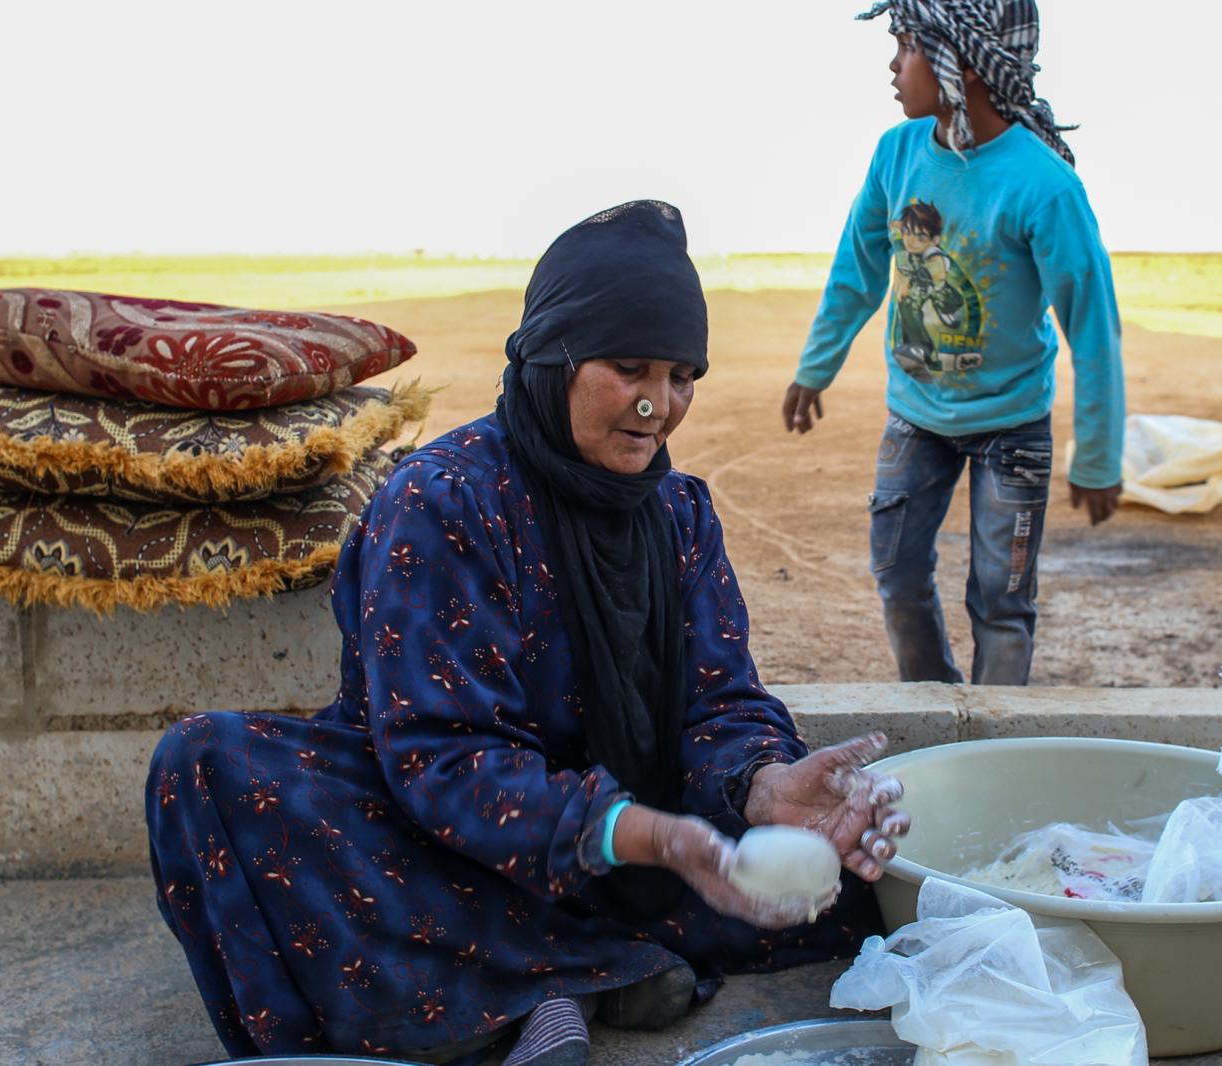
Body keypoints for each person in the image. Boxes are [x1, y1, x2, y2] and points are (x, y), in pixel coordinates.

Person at [146, 200, 909, 1065]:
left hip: (638, 846)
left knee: (851, 873)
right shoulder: (442, 501)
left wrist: (765, 788)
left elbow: (717, 703)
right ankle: (562, 987)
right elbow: (441, 760)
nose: (658, 406)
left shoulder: (680, 513)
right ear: (554, 357)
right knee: (206, 770)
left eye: (681, 375)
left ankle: (543, 977)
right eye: (629, 369)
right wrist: (649, 834)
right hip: (457, 841)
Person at [782, 0, 1126, 686]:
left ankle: (995, 751)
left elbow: (1091, 325)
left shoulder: (1043, 186)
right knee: (897, 574)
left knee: (1002, 601)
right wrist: (814, 367)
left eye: (906, 46)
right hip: (917, 417)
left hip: (1014, 425)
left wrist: (1098, 454)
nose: (892, 65)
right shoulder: (896, 153)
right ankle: (938, 718)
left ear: (960, 64)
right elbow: (858, 271)